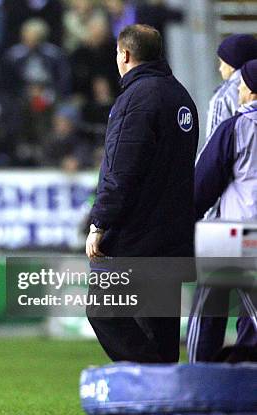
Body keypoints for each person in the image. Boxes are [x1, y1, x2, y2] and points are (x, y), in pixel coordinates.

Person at [85, 24, 198, 363]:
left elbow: (121, 168)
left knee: (103, 310)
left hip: (137, 234)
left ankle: (149, 383)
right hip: (173, 232)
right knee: (160, 326)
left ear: (126, 54)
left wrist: (99, 223)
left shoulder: (135, 98)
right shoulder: (181, 96)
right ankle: (166, 403)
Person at [188, 59, 257, 362]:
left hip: (233, 231)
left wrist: (187, 216)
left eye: (243, 84)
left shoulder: (236, 126)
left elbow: (205, 181)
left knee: (207, 309)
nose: (239, 88)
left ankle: (198, 379)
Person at [203, 34, 257, 144]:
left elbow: (214, 143)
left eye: (222, 62)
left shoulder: (223, 96)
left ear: (232, 65)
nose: (220, 68)